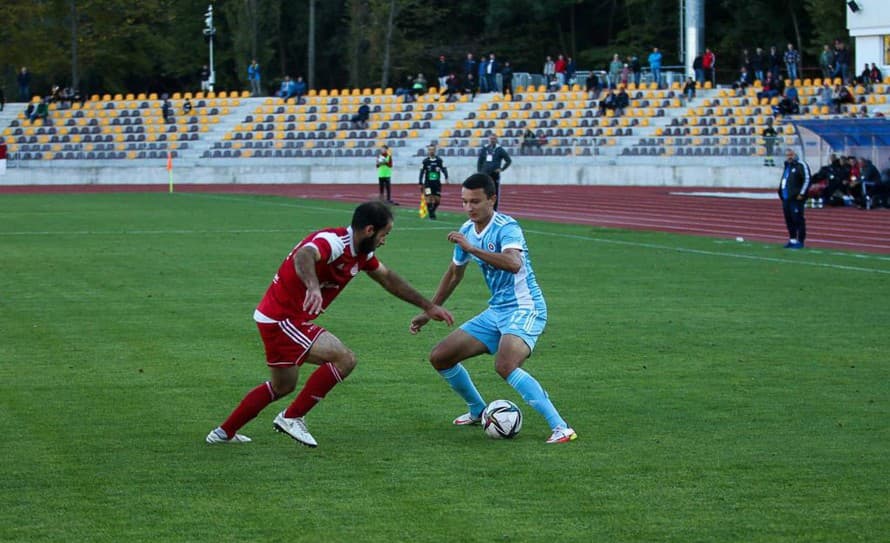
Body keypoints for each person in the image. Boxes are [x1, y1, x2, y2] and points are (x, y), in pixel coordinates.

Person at [206, 201, 454, 447]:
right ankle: (292, 417)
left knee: (283, 386)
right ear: (369, 230)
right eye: (383, 234)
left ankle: (223, 433)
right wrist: (313, 286)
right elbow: (305, 255)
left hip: (280, 318)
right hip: (283, 318)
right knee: (344, 359)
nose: (383, 241)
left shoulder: (362, 254)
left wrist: (428, 306)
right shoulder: (334, 242)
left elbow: (389, 279)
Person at [409, 173, 577, 445]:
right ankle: (477, 410)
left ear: (492, 199)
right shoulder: (467, 231)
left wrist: (472, 248)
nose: (469, 207)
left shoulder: (506, 227)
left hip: (525, 307)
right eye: (464, 202)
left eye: (475, 201)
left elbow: (514, 264)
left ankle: (561, 427)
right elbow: (454, 273)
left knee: (505, 364)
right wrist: (430, 310)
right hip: (497, 310)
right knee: (441, 356)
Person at [778, 148, 811, 249]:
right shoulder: (787, 166)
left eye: (791, 155)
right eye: (788, 155)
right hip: (786, 198)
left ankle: (800, 241)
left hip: (796, 198)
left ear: (795, 154)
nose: (789, 157)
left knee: (798, 219)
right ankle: (792, 239)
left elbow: (807, 179)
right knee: (789, 219)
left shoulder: (801, 165)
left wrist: (801, 193)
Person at [476, 135, 511, 211]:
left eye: (494, 139)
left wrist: (502, 169)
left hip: (494, 174)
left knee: (494, 192)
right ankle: (484, 207)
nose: (492, 140)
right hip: (485, 174)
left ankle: (494, 210)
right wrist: (479, 171)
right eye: (491, 139)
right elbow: (480, 161)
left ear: (496, 140)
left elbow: (508, 160)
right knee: (483, 191)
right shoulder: (485, 148)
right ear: (488, 139)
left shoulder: (499, 149)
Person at [418, 145, 449, 220]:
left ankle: (432, 211)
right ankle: (432, 215)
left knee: (437, 200)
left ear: (435, 151)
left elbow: (444, 169)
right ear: (428, 151)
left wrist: (446, 177)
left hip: (437, 183)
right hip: (428, 183)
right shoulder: (425, 161)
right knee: (428, 198)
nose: (431, 151)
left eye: (432, 150)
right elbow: (422, 172)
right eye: (430, 150)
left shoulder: (439, 160)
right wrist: (420, 182)